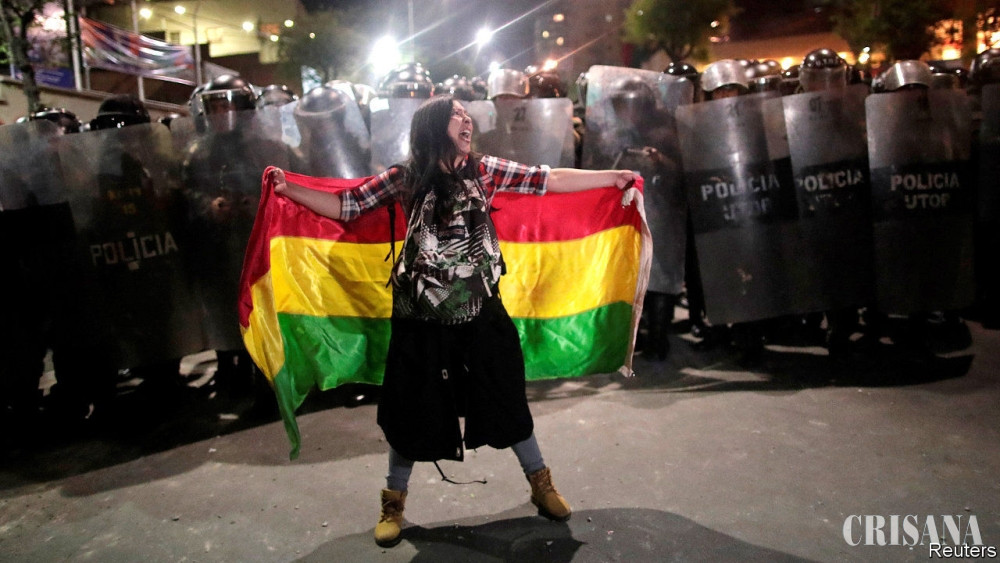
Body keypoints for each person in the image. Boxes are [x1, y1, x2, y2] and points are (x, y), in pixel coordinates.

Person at [269, 95, 637, 547]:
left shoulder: (485, 170)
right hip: (419, 316)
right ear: (433, 126)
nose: (467, 120)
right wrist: (289, 190)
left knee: (505, 395)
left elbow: (548, 179)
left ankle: (541, 482)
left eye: (466, 114)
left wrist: (611, 177)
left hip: (481, 308)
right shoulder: (404, 178)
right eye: (456, 115)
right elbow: (348, 205)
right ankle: (393, 501)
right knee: (411, 405)